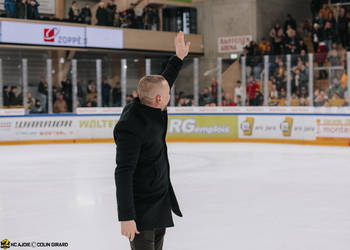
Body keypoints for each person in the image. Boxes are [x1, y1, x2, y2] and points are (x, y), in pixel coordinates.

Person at [114, 31, 190, 250]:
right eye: (167, 95)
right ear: (159, 99)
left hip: (160, 202)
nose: (169, 97)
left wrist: (178, 57)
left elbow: (163, 82)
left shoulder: (153, 106)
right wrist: (126, 216)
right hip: (141, 211)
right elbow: (123, 172)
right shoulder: (130, 126)